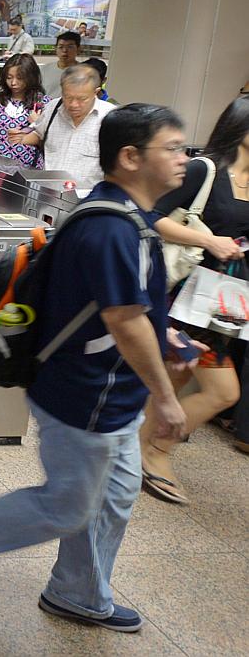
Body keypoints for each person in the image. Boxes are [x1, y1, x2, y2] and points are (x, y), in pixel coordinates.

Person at [0, 104, 192, 634]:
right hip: (83, 396)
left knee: (113, 498)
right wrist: (166, 396)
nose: (185, 159)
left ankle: (78, 592)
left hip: (110, 393)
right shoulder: (112, 229)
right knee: (69, 506)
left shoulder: (127, 216)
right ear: (131, 157)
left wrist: (165, 335)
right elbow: (123, 319)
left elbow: (125, 309)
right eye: (174, 148)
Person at [142, 97, 249, 503]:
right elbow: (152, 214)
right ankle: (156, 453)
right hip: (186, 296)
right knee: (221, 391)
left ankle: (141, 450)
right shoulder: (204, 169)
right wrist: (207, 239)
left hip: (225, 305)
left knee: (177, 381)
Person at [11, 64, 116, 186]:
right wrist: (21, 137)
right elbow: (39, 133)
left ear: (96, 92)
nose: (73, 104)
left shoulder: (110, 118)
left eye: (82, 99)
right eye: (68, 97)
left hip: (88, 198)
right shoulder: (52, 108)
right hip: (49, 193)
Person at [0, 53, 48, 167]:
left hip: (32, 169)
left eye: (20, 78)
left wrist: (38, 123)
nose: (13, 83)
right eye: (9, 78)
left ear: (31, 77)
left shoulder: (44, 104)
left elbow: (52, 141)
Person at [41, 30, 83, 99]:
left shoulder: (84, 72)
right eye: (61, 47)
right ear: (56, 49)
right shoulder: (44, 70)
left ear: (78, 49)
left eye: (70, 47)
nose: (64, 50)